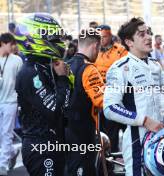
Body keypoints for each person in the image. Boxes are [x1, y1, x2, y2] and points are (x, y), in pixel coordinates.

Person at [103, 17, 164, 176]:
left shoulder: (154, 65)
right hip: (135, 141)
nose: (148, 37)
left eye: (148, 32)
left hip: (158, 137)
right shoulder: (120, 68)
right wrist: (144, 121)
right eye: (141, 34)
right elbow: (110, 108)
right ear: (129, 42)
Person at [15, 13, 70, 176]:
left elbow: (64, 107)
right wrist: (62, 80)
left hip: (53, 143)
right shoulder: (31, 72)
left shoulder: (45, 66)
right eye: (54, 39)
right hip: (40, 147)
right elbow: (54, 112)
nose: (60, 43)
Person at [66, 29, 104, 176]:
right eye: (99, 48)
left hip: (63, 132)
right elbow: (103, 101)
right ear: (95, 46)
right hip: (83, 133)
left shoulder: (64, 65)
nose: (98, 52)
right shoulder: (89, 69)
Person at [95, 24, 127, 153]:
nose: (101, 40)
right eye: (99, 37)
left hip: (119, 97)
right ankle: (108, 161)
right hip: (100, 97)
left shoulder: (120, 50)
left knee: (122, 130)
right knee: (106, 132)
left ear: (110, 36)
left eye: (104, 37)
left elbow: (126, 70)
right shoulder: (94, 51)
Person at [0, 33, 22, 175]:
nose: (13, 47)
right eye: (10, 44)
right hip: (2, 100)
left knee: (6, 133)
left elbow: (20, 83)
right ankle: (12, 152)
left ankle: (2, 164)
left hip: (11, 102)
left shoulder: (17, 60)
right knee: (3, 134)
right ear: (4, 43)